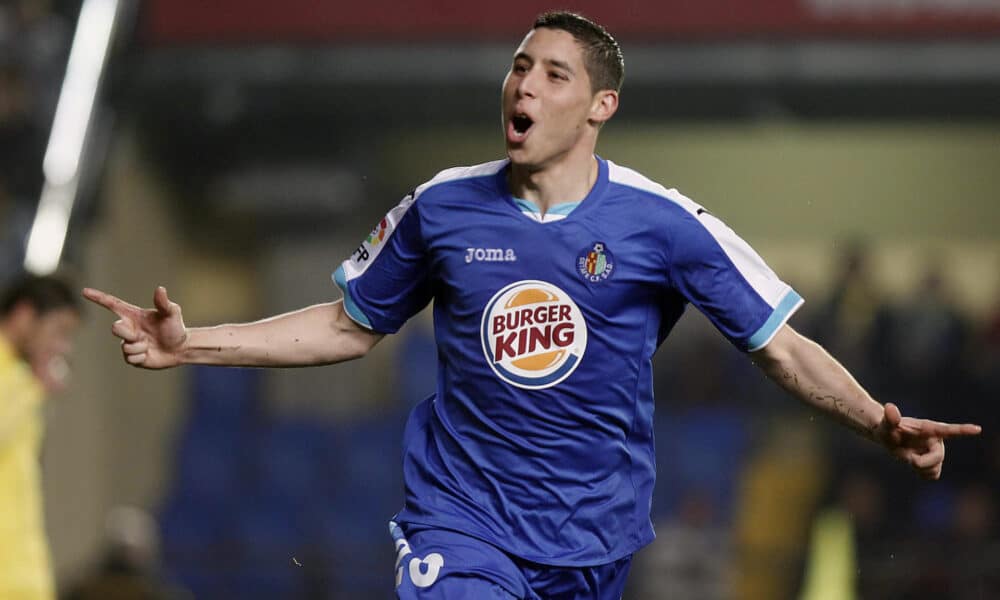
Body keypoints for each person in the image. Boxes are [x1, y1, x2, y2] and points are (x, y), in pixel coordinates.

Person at [83, 11, 982, 600]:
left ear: (600, 106)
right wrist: (191, 343)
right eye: (519, 66)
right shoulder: (441, 206)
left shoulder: (662, 224)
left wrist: (876, 422)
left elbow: (779, 345)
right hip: (460, 519)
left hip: (594, 540)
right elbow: (344, 324)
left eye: (553, 73)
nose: (523, 85)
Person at [0, 273, 81, 600]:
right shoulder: (25, 383)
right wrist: (36, 386)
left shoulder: (22, 377)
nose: (62, 347)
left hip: (25, 575)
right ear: (23, 315)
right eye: (58, 331)